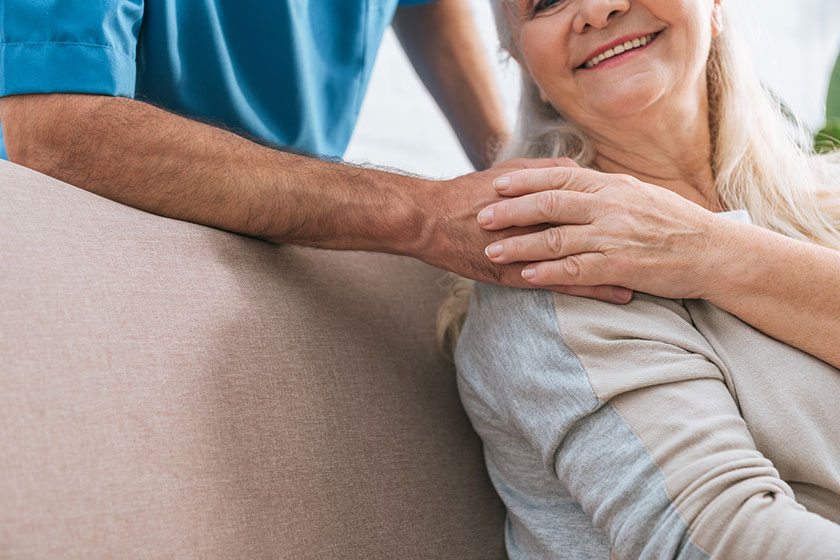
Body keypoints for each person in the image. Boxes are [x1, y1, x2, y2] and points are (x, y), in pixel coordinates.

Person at [446, 0, 840, 558]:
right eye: (546, 1)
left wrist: (708, 249)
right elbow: (724, 542)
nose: (597, 9)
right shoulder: (552, 272)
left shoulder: (830, 200)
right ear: (523, 62)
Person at [2, 0, 637, 301]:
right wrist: (422, 215)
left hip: (291, 235)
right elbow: (53, 130)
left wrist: (506, 174)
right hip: (98, 240)